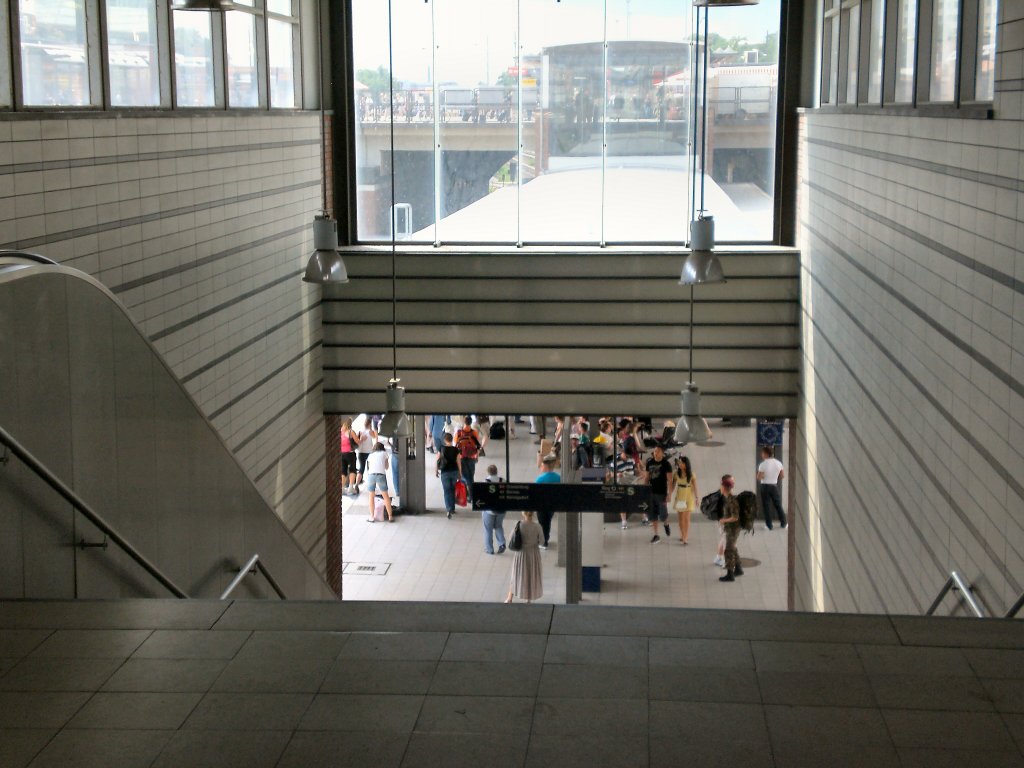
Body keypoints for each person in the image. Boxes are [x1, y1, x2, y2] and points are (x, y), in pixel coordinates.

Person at [505, 510, 543, 603]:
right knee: (530, 575)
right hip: (533, 554)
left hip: (521, 554)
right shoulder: (537, 526)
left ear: (523, 513)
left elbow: (511, 538)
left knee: (516, 575)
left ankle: (509, 598)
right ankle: (528, 599)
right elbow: (542, 542)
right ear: (533, 514)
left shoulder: (518, 525)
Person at [642, 444, 674, 544]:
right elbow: (647, 478)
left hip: (662, 494)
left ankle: (666, 524)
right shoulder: (649, 463)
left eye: (658, 451)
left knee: (663, 515)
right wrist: (644, 490)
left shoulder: (666, 464)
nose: (656, 453)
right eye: (655, 451)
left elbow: (670, 480)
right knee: (652, 515)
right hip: (651, 493)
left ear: (662, 453)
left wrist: (669, 494)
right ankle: (656, 535)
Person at [718, 475, 744, 581]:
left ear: (724, 487)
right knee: (733, 547)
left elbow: (735, 517)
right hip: (731, 528)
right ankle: (738, 568)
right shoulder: (728, 498)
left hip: (732, 529)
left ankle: (730, 574)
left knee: (728, 549)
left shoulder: (731, 500)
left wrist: (723, 520)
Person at [363, 442, 394, 522]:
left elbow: (369, 467)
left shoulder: (370, 455)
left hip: (371, 475)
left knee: (371, 497)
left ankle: (372, 517)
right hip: (381, 475)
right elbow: (386, 467)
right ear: (382, 448)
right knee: (385, 496)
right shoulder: (384, 453)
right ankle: (390, 516)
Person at [757, 446, 787, 530]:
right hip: (774, 485)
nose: (761, 454)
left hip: (765, 486)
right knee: (778, 505)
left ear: (766, 454)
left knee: (766, 506)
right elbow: (782, 475)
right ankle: (784, 523)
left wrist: (764, 476)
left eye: (762, 453)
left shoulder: (762, 465)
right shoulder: (778, 463)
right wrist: (774, 477)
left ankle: (769, 525)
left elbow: (759, 477)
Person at [455, 416, 482, 503]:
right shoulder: (474, 433)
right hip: (471, 458)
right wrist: (476, 456)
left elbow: (455, 445)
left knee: (465, 477)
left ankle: (468, 495)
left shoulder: (459, 433)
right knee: (471, 476)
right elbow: (478, 447)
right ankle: (471, 495)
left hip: (462, 457)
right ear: (471, 423)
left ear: (464, 422)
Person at [535, 454, 560, 549]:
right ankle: (546, 538)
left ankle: (543, 542)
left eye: (542, 465)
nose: (541, 466)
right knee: (548, 521)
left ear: (545, 466)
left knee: (542, 522)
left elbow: (536, 493)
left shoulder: (540, 479)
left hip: (541, 504)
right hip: (552, 504)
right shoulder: (558, 478)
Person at [672, 456, 698, 545]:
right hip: (680, 497)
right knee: (680, 519)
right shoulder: (676, 474)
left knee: (686, 519)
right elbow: (672, 486)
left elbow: (695, 487)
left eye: (681, 463)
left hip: (689, 497)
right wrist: (668, 495)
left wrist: (697, 498)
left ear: (686, 464)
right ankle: (682, 534)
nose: (680, 464)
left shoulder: (691, 474)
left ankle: (685, 537)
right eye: (679, 463)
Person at [436, 433, 463, 519]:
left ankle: (449, 509)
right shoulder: (456, 450)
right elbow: (459, 462)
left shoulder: (442, 448)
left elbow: (437, 460)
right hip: (454, 472)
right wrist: (460, 473)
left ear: (444, 440)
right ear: (452, 440)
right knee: (452, 490)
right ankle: (453, 508)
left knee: (447, 491)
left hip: (445, 472)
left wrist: (436, 470)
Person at [482, 464, 506, 555]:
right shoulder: (502, 480)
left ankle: (490, 549)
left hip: (489, 510)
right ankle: (502, 543)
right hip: (501, 509)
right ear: (496, 471)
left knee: (488, 529)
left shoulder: (485, 481)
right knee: (498, 526)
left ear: (488, 472)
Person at [355, 417, 376, 491]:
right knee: (370, 469)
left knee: (361, 469)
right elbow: (374, 437)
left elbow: (357, 441)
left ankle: (356, 484)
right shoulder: (370, 431)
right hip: (369, 452)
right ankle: (371, 485)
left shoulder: (360, 431)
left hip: (361, 452)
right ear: (370, 424)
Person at [339, 418, 359, 496]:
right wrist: (362, 439)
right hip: (350, 453)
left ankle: (342, 488)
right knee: (352, 469)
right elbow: (357, 442)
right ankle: (351, 487)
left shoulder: (340, 431)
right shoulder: (351, 432)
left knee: (343, 470)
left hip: (342, 453)